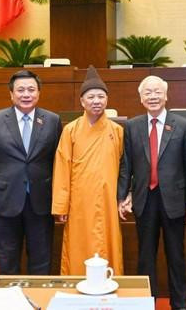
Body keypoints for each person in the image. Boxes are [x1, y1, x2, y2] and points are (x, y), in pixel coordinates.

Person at [117, 75, 186, 310]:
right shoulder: (132, 126)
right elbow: (126, 165)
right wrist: (122, 196)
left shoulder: (182, 125)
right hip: (145, 199)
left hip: (174, 200)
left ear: (166, 95)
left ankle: (180, 304)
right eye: (147, 93)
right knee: (145, 257)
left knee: (176, 256)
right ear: (141, 99)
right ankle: (145, 303)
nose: (153, 96)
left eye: (157, 92)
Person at [0, 70, 63, 274]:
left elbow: (59, 163)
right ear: (11, 94)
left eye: (31, 89)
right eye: (20, 90)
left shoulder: (53, 120)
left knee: (41, 257)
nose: (26, 94)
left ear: (39, 93)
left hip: (41, 200)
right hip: (6, 199)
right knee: (7, 258)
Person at [52, 65, 124, 275]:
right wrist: (61, 206)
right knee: (77, 246)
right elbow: (62, 167)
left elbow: (123, 168)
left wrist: (123, 197)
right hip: (79, 203)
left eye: (101, 96)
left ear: (107, 100)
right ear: (82, 101)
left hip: (107, 200)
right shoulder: (71, 130)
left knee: (108, 243)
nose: (96, 101)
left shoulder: (117, 131)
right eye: (91, 97)